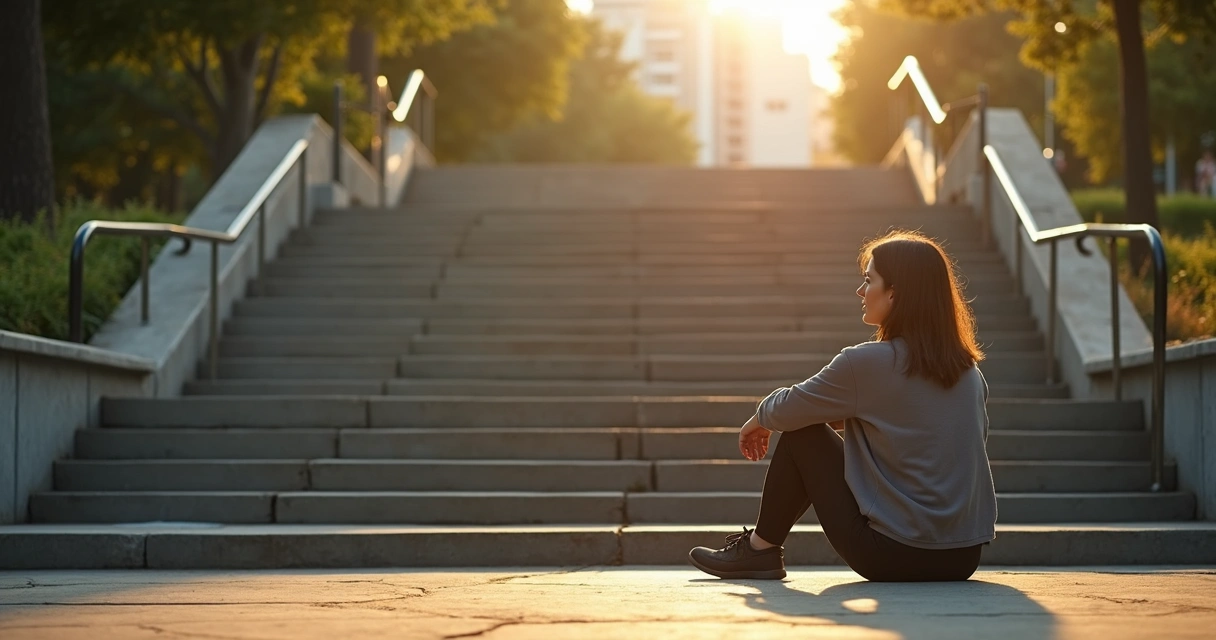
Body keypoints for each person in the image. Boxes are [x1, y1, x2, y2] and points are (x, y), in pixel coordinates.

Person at [688, 229, 997, 582]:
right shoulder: (969, 372)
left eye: (869, 280)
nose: (861, 292)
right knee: (812, 422)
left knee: (803, 433)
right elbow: (920, 426)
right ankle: (760, 551)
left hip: (890, 554)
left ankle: (760, 550)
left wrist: (758, 419)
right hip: (962, 557)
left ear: (894, 293)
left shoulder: (868, 363)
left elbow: (791, 409)